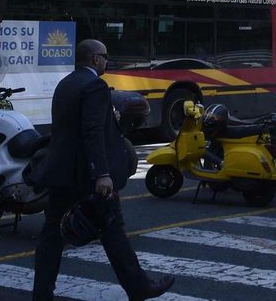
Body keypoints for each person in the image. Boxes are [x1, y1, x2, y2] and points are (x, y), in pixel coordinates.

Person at [32, 39, 173, 301]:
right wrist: (102, 173)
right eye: (105, 56)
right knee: (112, 228)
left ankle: (41, 293)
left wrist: (111, 120)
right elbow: (92, 131)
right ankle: (139, 287)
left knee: (52, 234)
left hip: (62, 171)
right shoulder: (95, 85)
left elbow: (76, 126)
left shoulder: (67, 83)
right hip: (86, 174)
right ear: (95, 59)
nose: (107, 61)